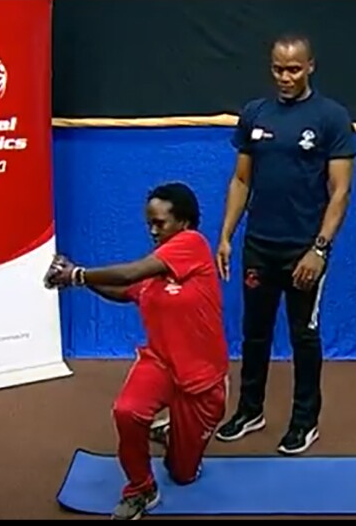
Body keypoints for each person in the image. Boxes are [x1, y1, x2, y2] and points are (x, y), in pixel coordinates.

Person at [44, 182, 229, 520]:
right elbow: (126, 288)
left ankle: (169, 432)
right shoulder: (157, 270)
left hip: (201, 377)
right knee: (127, 412)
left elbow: (131, 271)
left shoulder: (192, 245)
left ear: (184, 223)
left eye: (161, 223)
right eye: (150, 224)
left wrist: (78, 275)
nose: (153, 231)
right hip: (159, 363)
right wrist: (72, 277)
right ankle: (141, 488)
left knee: (183, 474)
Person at [214, 33, 356, 455]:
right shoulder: (255, 115)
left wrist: (320, 248)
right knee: (253, 335)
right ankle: (250, 410)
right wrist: (225, 235)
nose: (285, 77)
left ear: (310, 66)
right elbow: (241, 180)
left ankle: (303, 421)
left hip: (304, 252)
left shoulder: (332, 118)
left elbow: (340, 192)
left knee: (303, 338)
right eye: (278, 68)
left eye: (294, 69)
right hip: (259, 246)